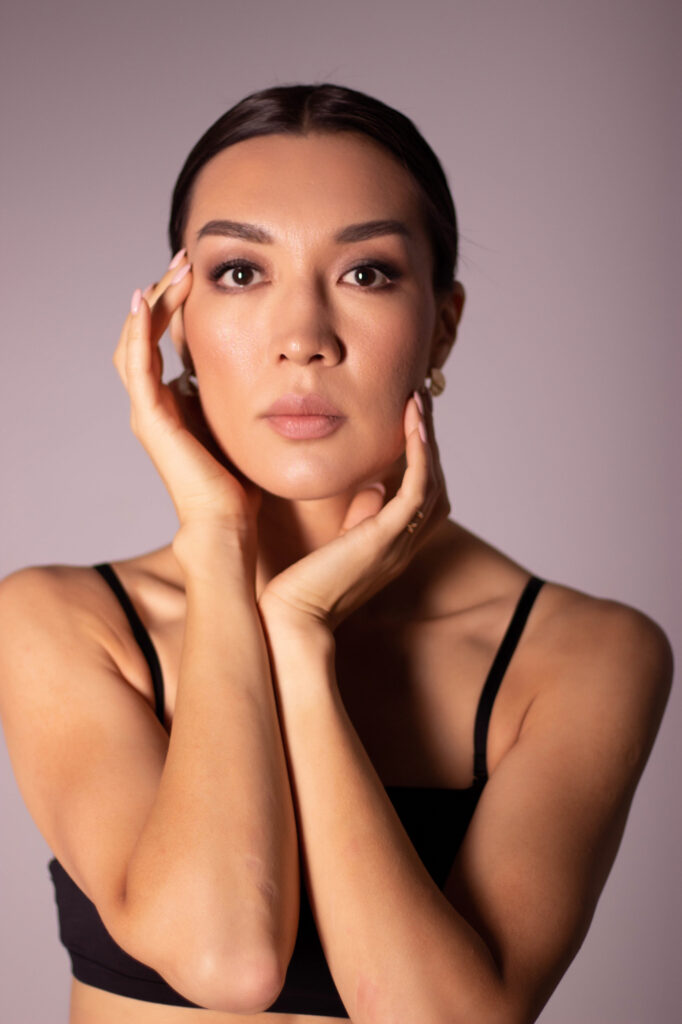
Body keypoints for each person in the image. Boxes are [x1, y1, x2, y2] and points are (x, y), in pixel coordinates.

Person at [0, 83, 673, 1024]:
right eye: (241, 272)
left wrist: (299, 638)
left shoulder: (582, 655)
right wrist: (220, 545)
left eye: (366, 274)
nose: (303, 340)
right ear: (173, 323)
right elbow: (224, 958)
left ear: (442, 325)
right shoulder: (62, 624)